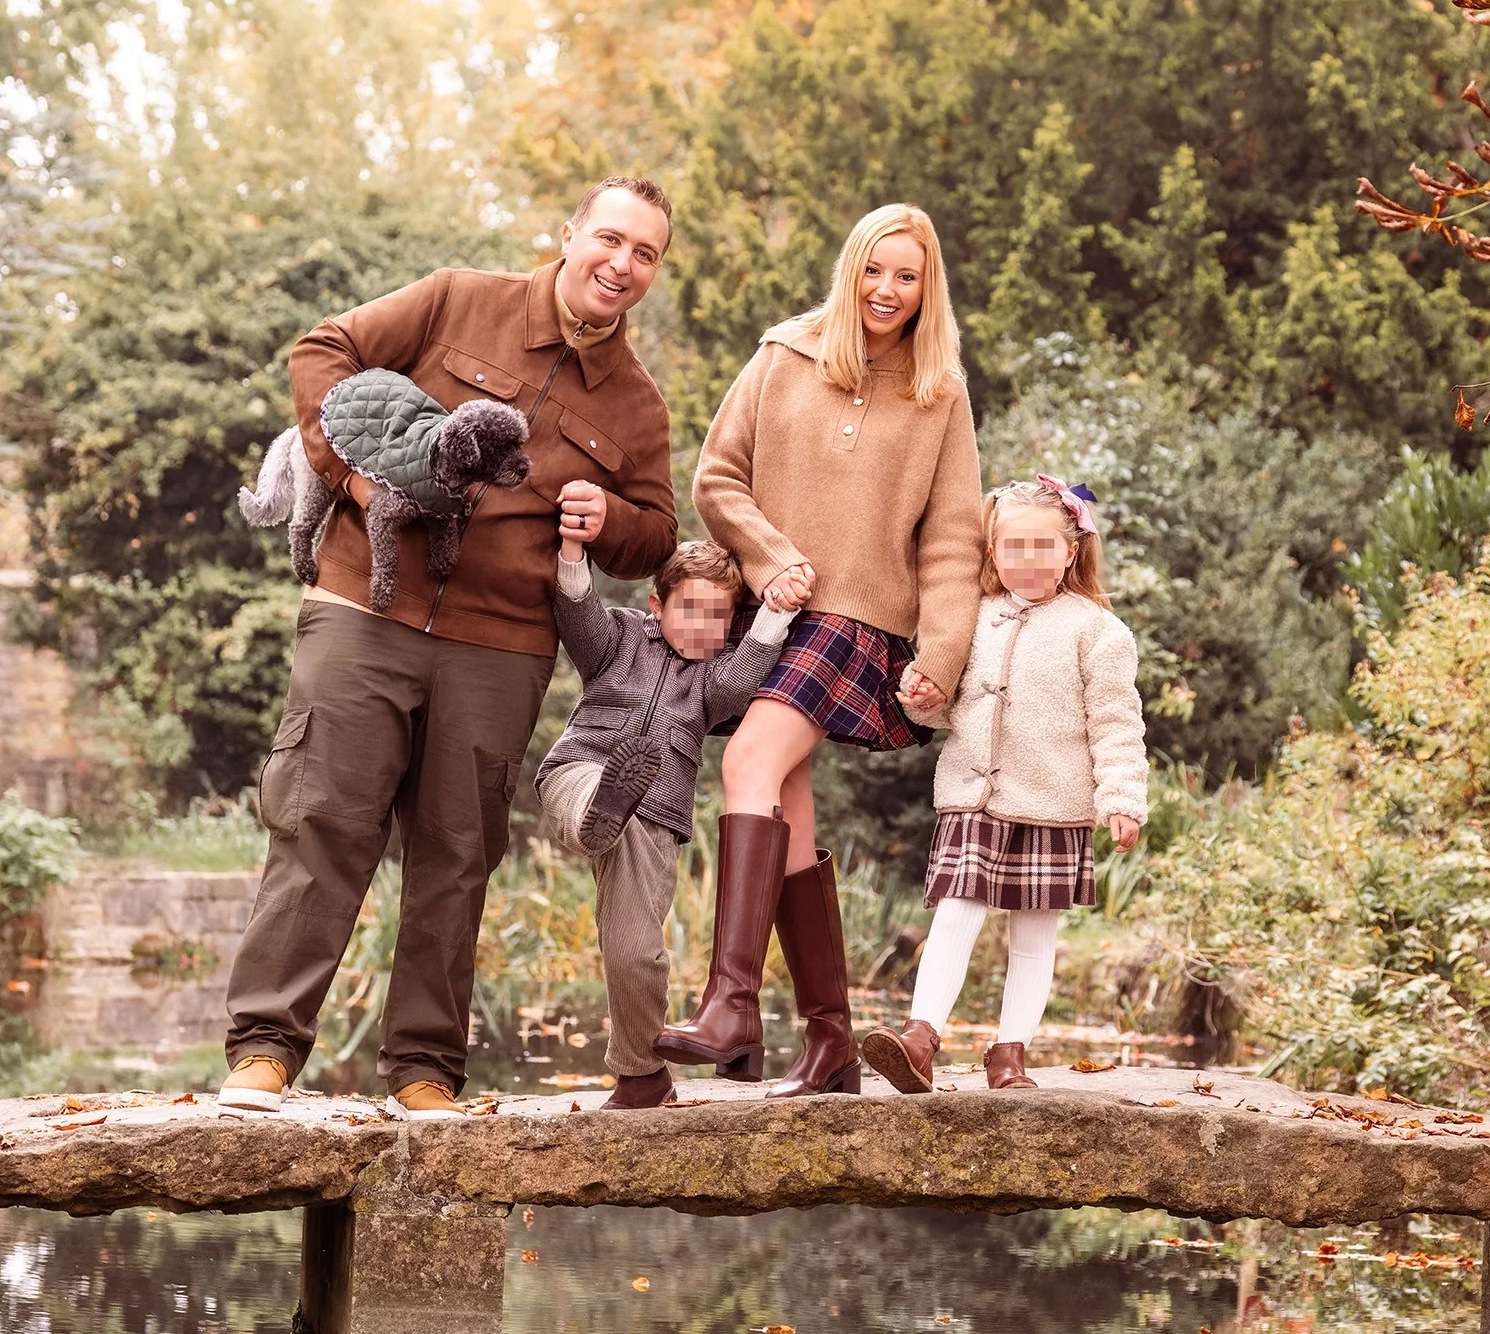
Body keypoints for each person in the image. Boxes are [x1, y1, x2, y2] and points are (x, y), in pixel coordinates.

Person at [219, 176, 678, 1118]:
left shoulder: (636, 404)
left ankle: (425, 1068)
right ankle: (264, 1049)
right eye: (610, 240)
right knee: (322, 818)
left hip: (504, 644)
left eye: (645, 254)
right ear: (570, 236)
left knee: (457, 852)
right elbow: (324, 348)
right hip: (361, 610)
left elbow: (660, 535)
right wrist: (344, 473)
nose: (621, 264)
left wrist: (614, 517)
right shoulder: (457, 298)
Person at [654, 203, 985, 1097]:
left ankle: (730, 1003)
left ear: (927, 286)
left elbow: (954, 541)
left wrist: (944, 658)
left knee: (754, 759)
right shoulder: (783, 355)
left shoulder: (939, 391)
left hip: (860, 621)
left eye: (907, 276)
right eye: (875, 270)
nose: (888, 290)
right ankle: (830, 1036)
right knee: (786, 796)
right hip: (776, 609)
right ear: (850, 270)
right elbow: (716, 476)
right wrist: (771, 557)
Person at [862, 476, 1148, 1093]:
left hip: (1054, 801)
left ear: (1070, 551)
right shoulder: (969, 616)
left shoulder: (1098, 631)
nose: (1027, 558)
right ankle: (920, 1037)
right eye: (1012, 546)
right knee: (955, 911)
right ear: (992, 550)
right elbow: (948, 704)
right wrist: (923, 699)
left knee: (1034, 935)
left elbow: (1117, 722)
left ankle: (1009, 1055)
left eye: (1042, 546)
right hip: (973, 793)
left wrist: (1121, 797)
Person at [536, 538, 801, 1108]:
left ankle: (641, 1075)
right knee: (588, 794)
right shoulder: (621, 638)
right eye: (690, 609)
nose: (703, 626)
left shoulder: (709, 683)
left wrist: (777, 612)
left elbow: (742, 679)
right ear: (658, 606)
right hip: (581, 768)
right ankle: (597, 813)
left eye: (718, 616)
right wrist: (574, 549)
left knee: (638, 953)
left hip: (652, 816)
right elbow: (579, 616)